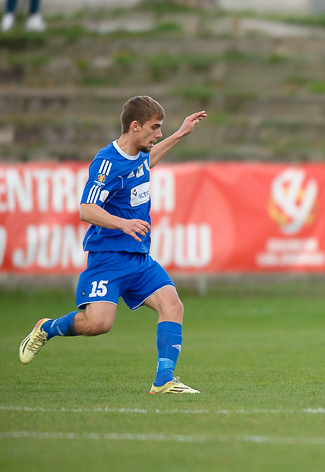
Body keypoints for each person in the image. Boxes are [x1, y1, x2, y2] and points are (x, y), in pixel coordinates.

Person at [18, 96, 206, 395]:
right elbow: (87, 209)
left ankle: (164, 380)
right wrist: (123, 224)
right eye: (155, 127)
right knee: (98, 324)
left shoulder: (139, 156)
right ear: (135, 126)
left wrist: (180, 134)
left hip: (139, 257)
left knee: (172, 305)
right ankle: (47, 328)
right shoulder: (107, 162)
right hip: (108, 257)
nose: (158, 134)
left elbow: (147, 163)